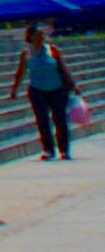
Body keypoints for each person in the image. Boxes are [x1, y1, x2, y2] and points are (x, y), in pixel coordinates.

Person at [10, 21, 75, 161]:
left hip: (57, 89)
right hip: (37, 90)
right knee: (42, 120)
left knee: (60, 119)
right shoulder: (26, 54)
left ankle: (64, 150)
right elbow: (20, 72)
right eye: (39, 34)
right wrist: (15, 89)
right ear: (31, 37)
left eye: (42, 33)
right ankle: (48, 150)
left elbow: (63, 68)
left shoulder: (53, 50)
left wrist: (72, 85)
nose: (42, 36)